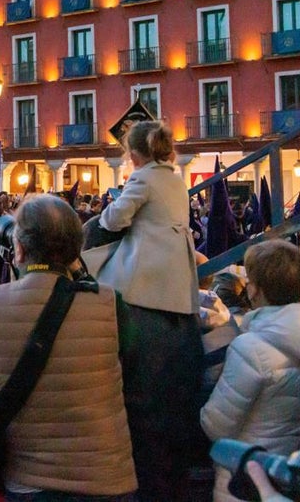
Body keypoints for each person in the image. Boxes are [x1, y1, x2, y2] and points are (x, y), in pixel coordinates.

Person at [0, 194, 137, 501]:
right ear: (76, 250)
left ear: (18, 248)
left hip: (28, 483)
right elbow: (131, 359)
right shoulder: (110, 302)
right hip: (106, 478)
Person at [89, 120, 202, 500]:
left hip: (145, 279)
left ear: (133, 154)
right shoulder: (174, 177)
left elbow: (115, 219)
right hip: (176, 278)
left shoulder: (142, 178)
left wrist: (104, 215)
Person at [201, 240, 300, 502]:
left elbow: (216, 425)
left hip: (246, 473)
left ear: (254, 290)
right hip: (295, 471)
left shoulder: (250, 348)